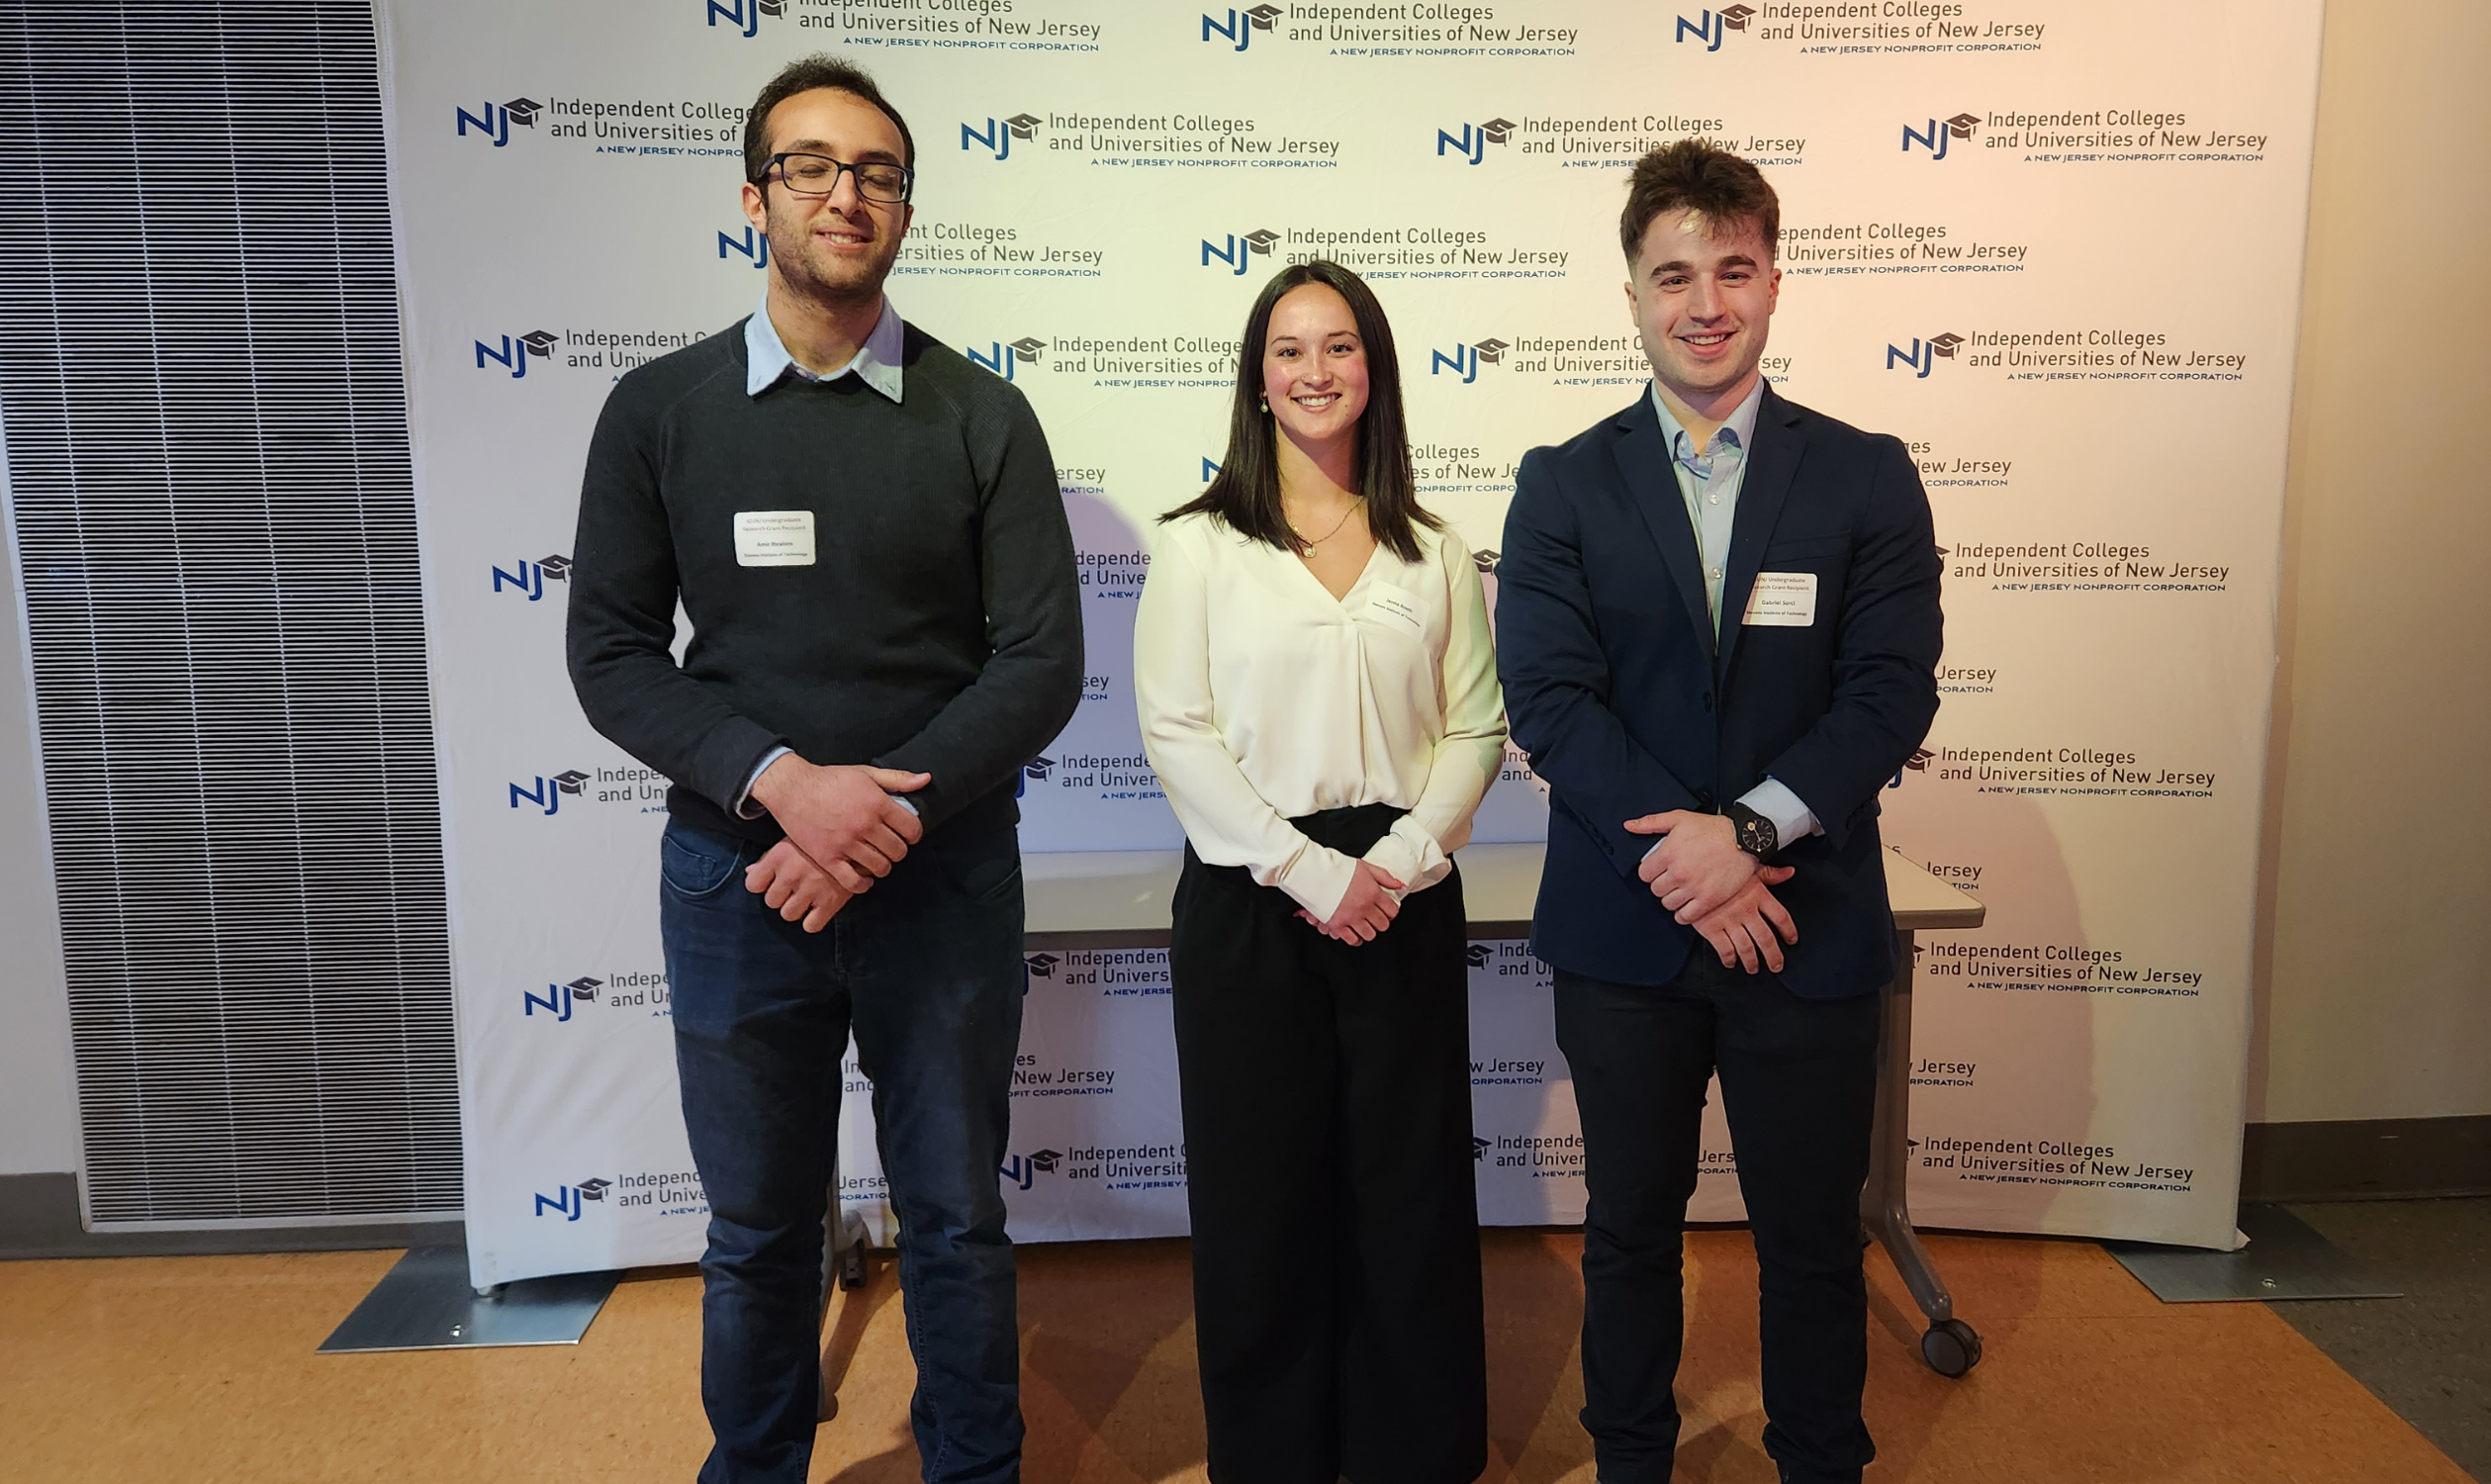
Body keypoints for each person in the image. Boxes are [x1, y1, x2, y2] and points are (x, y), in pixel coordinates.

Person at [565, 55, 1081, 1484]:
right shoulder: (660, 411)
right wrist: (784, 782)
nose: (845, 194)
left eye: (876, 172)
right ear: (753, 197)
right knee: (754, 1229)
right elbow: (609, 654)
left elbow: (1036, 667)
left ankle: (974, 1467)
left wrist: (873, 813)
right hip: (739, 878)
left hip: (943, 878)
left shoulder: (983, 420)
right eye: (811, 166)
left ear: (904, 210)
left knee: (956, 1218)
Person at [1493, 139, 1944, 1484]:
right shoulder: (1561, 482)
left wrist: (1741, 835)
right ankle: (1630, 1460)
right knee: (1629, 1231)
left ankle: (1821, 1461)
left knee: (1811, 1236)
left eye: (1730, 269)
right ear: (1628, 293)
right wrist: (1689, 858)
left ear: (1771, 282)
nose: (1703, 300)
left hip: (1802, 924)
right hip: (1626, 936)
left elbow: (1887, 692)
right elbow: (1552, 701)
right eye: (1671, 272)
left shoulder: (1863, 475)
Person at [1132, 260, 1506, 1484]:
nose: (1313, 372)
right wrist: (1304, 869)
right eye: (1287, 351)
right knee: (1260, 1200)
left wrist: (1393, 864)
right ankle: (1275, 1455)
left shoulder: (1434, 549)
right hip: (1252, 896)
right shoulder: (1196, 548)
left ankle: (1413, 1452)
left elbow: (1475, 729)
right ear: (1256, 380)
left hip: (1401, 891)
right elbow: (1177, 734)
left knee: (1406, 1195)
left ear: (1374, 370)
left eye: (1337, 348)